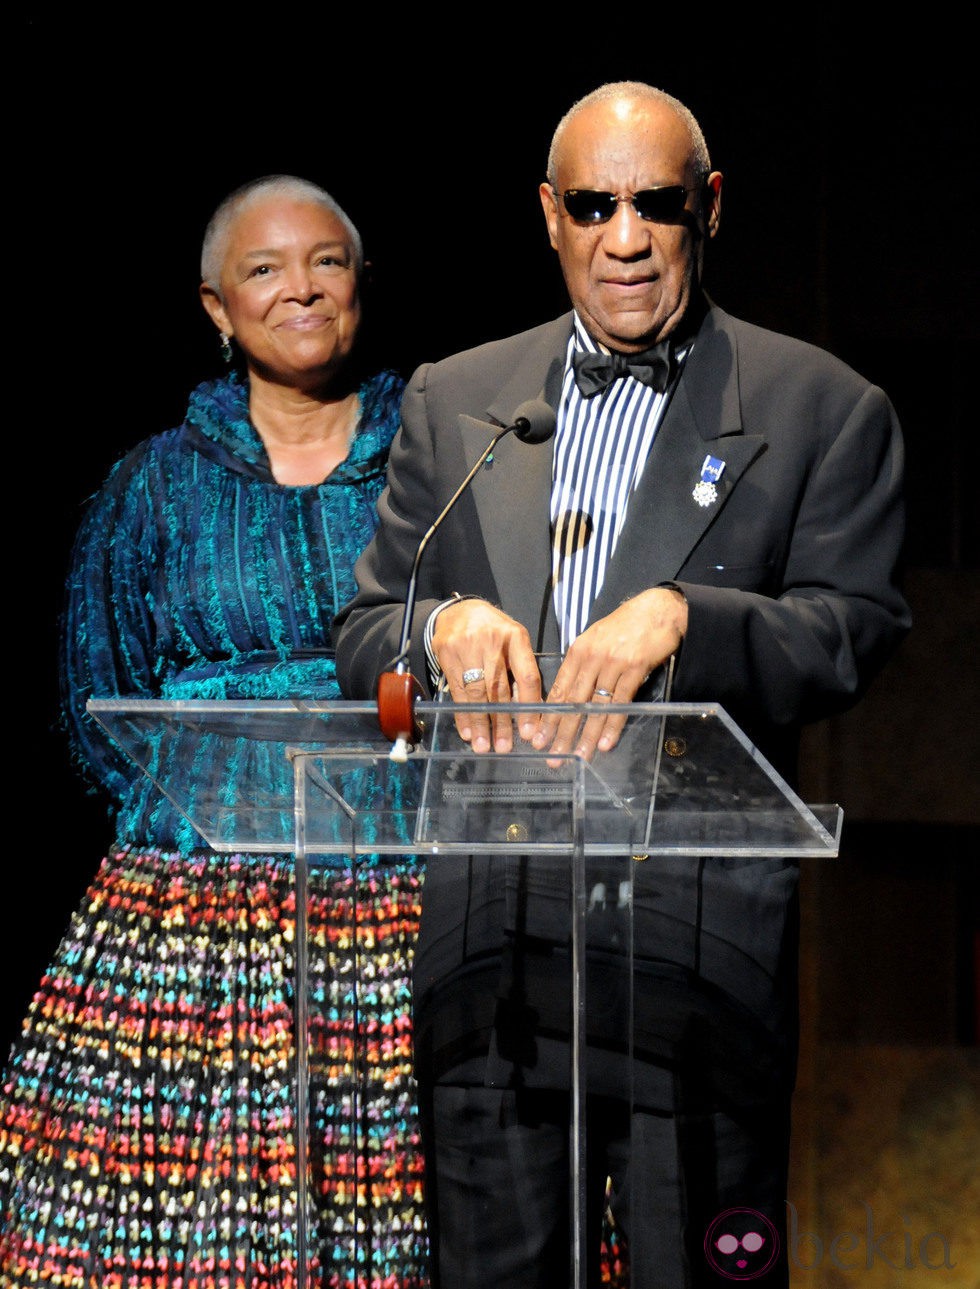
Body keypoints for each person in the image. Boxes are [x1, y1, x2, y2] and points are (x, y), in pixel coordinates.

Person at [333, 83, 911, 1288]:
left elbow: (851, 633)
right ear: (549, 215)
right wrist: (437, 628)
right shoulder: (457, 400)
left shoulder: (821, 408)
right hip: (491, 948)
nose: (626, 237)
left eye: (654, 203)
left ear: (706, 208)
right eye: (593, 206)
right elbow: (366, 628)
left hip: (694, 957)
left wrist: (688, 622)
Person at [0, 176, 429, 1287]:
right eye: (264, 269)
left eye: (326, 262)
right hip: (186, 914)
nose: (300, 288)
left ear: (362, 284)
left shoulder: (441, 471)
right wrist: (201, 826)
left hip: (395, 905)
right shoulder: (150, 487)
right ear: (215, 308)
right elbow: (98, 701)